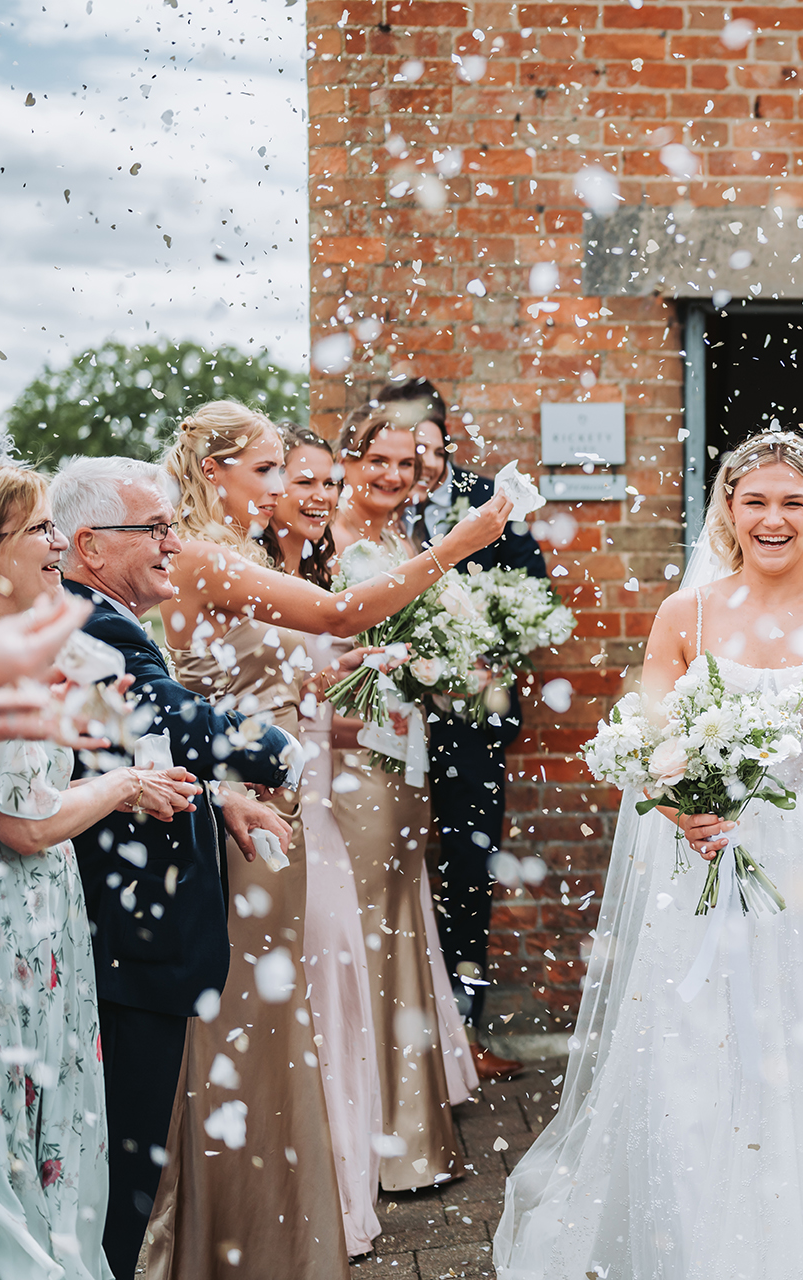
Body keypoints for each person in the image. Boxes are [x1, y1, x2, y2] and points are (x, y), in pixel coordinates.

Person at [495, 429, 803, 1278]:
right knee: (701, 1040)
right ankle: (700, 1237)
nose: (774, 518)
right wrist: (679, 809)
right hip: (709, 861)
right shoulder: (688, 614)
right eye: (755, 500)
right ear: (727, 510)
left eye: (794, 501)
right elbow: (650, 742)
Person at [140, 402, 508, 1274]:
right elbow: (341, 612)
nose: (286, 488)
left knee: (286, 1013)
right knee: (251, 1021)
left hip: (286, 797)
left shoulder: (241, 558)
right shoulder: (197, 557)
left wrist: (339, 685)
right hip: (245, 811)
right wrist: (461, 541)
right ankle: (239, 1227)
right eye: (267, 470)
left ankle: (283, 1216)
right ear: (214, 469)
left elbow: (300, 656)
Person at [48, 456, 297, 1280]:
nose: (173, 541)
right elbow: (165, 716)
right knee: (119, 1170)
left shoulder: (100, 612)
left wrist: (222, 798)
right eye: (154, 527)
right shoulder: (91, 622)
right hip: (123, 940)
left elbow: (132, 741)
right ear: (89, 545)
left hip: (132, 937)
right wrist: (277, 751)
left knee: (125, 1165)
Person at [0, 454, 196, 1280]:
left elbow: (106, 729)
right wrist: (127, 785)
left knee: (35, 1129)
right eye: (37, 530)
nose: (56, 543)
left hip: (35, 926)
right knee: (8, 1138)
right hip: (2, 934)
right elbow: (24, 823)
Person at [326, 403, 484, 1190]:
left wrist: (436, 659)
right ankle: (373, 1135)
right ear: (347, 458)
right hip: (353, 754)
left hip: (405, 750)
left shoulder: (397, 542)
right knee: (364, 928)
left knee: (401, 916)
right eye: (375, 460)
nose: (392, 476)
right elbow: (336, 637)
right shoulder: (329, 541)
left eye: (406, 466)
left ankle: (408, 1127)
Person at [384, 377, 549, 1080]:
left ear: (444, 437)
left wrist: (489, 649)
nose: (411, 464)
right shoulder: (371, 505)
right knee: (391, 874)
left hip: (468, 729)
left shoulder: (489, 504)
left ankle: (465, 1034)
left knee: (469, 875)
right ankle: (394, 1046)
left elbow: (533, 595)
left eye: (422, 446)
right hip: (383, 728)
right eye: (399, 446)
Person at [273, 425, 388, 1254]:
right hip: (273, 815)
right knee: (296, 999)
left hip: (314, 805)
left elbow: (313, 716)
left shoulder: (305, 573)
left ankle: (335, 1190)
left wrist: (352, 697)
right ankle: (292, 1194)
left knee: (333, 983)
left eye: (324, 483)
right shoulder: (247, 580)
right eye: (299, 481)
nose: (318, 496)